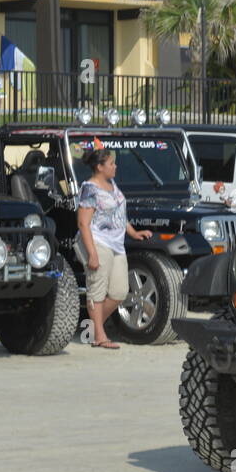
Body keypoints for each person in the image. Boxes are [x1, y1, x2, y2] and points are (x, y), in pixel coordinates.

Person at [76, 146, 154, 349]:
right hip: (98, 242)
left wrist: (133, 232)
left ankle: (92, 327)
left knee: (119, 292)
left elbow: (119, 213)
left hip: (117, 245)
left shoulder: (112, 184)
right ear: (100, 167)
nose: (115, 166)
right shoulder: (90, 189)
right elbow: (83, 223)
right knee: (97, 289)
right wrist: (92, 253)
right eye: (111, 163)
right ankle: (99, 337)